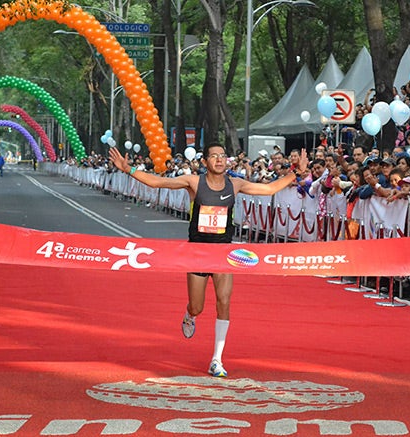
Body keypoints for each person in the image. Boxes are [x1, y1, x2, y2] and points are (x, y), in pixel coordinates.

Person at [108, 144, 308, 378]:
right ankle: (189, 315)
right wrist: (127, 169)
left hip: (224, 254)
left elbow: (269, 189)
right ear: (205, 162)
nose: (219, 160)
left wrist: (296, 173)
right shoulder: (193, 182)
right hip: (198, 253)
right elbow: (157, 182)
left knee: (224, 302)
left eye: (223, 156)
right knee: (197, 306)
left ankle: (216, 359)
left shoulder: (236, 184)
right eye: (214, 156)